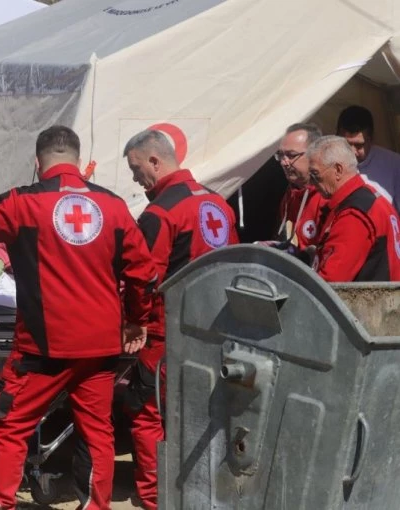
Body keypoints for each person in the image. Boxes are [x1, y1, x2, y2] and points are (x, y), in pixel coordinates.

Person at [0, 125, 157, 510]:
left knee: (8, 420)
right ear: (79, 162)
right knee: (98, 431)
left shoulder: (24, 203)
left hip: (44, 349)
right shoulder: (113, 206)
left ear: (38, 162)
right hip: (100, 347)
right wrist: (136, 318)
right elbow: (143, 273)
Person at [121, 129, 239, 509]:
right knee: (208, 416)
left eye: (137, 169)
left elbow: (144, 277)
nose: (136, 179)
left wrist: (133, 320)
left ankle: (155, 498)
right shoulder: (219, 203)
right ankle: (202, 493)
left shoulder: (160, 213)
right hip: (219, 329)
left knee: (146, 413)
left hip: (167, 332)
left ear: (155, 160)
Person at [307, 135, 400, 282]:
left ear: (338, 170)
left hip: (370, 303)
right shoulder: (372, 197)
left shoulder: (353, 215)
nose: (311, 182)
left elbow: (331, 283)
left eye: (315, 175)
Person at [336, 105, 400, 212]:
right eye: (346, 144)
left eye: (359, 145)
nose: (352, 152)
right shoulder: (327, 163)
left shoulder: (394, 165)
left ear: (371, 140)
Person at [272, 123, 325, 249]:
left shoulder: (326, 198)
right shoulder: (291, 193)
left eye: (291, 155)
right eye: (281, 155)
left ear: (314, 154)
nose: (284, 162)